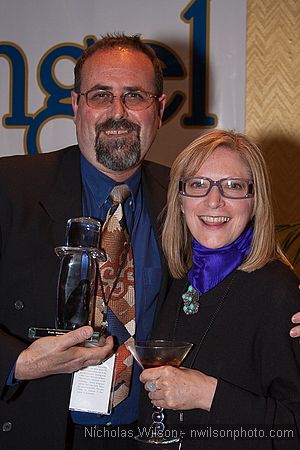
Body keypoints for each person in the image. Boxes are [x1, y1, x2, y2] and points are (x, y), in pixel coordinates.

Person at [0, 34, 169, 450]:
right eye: (100, 95)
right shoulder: (9, 187)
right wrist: (19, 362)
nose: (118, 112)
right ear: (76, 107)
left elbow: (239, 286)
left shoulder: (187, 196)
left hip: (149, 434)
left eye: (135, 96)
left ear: (160, 110)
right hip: (33, 427)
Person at [138, 130, 300, 449]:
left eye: (233, 186)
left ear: (255, 201)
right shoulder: (176, 278)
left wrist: (207, 394)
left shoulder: (278, 292)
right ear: (180, 200)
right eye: (198, 185)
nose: (214, 201)